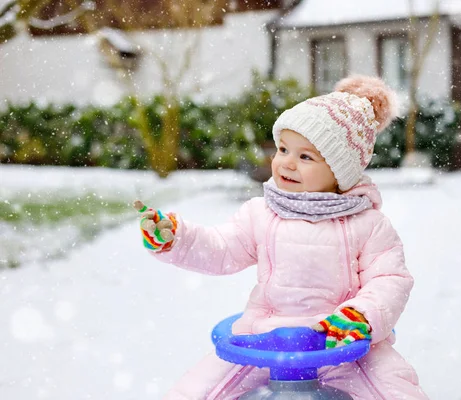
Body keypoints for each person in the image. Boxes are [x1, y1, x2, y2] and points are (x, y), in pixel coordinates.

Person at [135, 75, 428, 400]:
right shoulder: (261, 214)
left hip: (342, 343)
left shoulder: (368, 224)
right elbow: (221, 249)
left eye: (305, 157)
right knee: (198, 390)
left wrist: (362, 316)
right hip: (265, 340)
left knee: (396, 388)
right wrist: (177, 238)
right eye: (283, 149)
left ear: (340, 172)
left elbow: (390, 279)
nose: (287, 162)